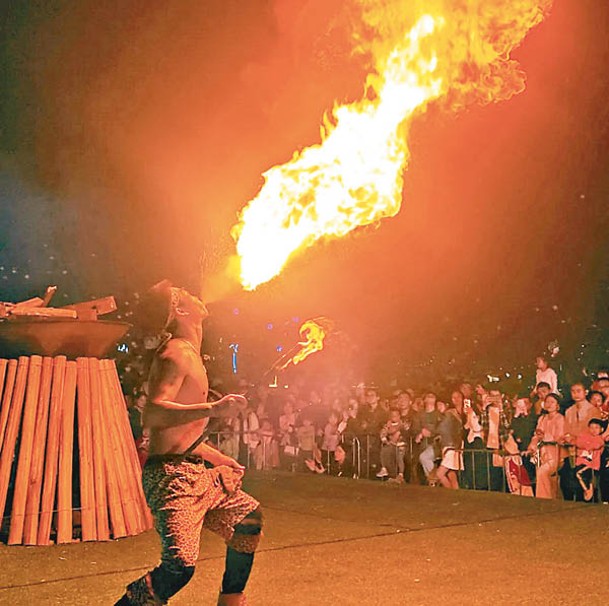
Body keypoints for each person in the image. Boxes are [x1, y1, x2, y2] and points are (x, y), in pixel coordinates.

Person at [115, 281, 263, 606]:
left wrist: (218, 458)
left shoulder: (192, 354)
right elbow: (153, 413)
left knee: (247, 518)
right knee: (179, 568)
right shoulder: (175, 354)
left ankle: (231, 601)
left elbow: (180, 437)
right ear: (180, 310)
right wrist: (214, 408)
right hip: (171, 478)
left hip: (195, 472)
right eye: (186, 293)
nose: (197, 293)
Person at [528, 393, 564, 499]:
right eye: (547, 402)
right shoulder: (542, 419)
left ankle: (543, 499)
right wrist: (532, 446)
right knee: (547, 479)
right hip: (542, 453)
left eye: (552, 402)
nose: (549, 404)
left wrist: (544, 436)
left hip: (555, 454)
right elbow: (536, 435)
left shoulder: (560, 419)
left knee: (542, 472)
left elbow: (559, 437)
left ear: (557, 405)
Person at [574, 418, 605, 502]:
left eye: (596, 428)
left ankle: (589, 492)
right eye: (591, 428)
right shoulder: (584, 436)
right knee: (578, 477)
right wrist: (587, 445)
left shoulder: (600, 439)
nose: (593, 430)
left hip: (592, 465)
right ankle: (585, 492)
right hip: (582, 462)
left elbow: (596, 445)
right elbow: (578, 443)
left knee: (587, 478)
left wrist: (587, 445)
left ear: (601, 429)